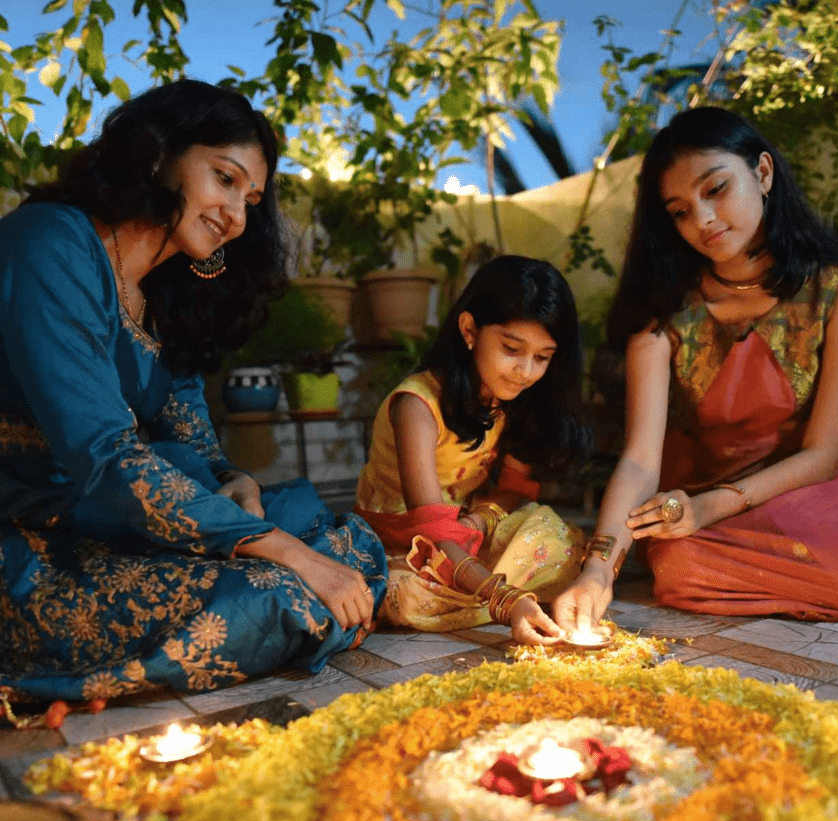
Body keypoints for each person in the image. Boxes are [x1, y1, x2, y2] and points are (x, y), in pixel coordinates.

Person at [554, 106, 838, 639]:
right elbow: (640, 461)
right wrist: (598, 568)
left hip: (807, 494)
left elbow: (823, 454)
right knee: (682, 573)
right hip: (698, 516)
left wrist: (712, 507)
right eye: (680, 211)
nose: (703, 220)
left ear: (763, 173)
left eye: (716, 190)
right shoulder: (665, 316)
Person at [0, 80, 387, 709]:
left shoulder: (167, 294)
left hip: (120, 519)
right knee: (283, 591)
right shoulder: (51, 244)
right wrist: (290, 555)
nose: (237, 214)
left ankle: (296, 596)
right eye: (224, 179)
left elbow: (193, 447)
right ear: (159, 153)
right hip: (31, 536)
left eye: (252, 199)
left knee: (351, 541)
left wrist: (237, 483)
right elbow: (105, 456)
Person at [355, 255, 590, 644]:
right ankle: (480, 594)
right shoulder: (417, 405)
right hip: (404, 544)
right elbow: (430, 528)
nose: (526, 371)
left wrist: (480, 521)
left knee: (556, 537)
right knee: (405, 598)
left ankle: (469, 592)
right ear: (469, 330)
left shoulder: (512, 398)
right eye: (511, 349)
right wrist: (506, 601)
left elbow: (515, 489)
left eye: (542, 358)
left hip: (466, 531)